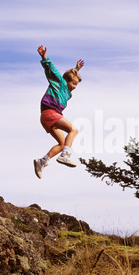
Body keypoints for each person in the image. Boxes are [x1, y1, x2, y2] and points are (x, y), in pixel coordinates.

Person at [33, 45, 84, 179]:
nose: (74, 87)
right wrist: (44, 56)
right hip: (49, 113)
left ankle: (41, 161)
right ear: (67, 81)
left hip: (47, 117)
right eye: (73, 84)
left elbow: (71, 75)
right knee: (73, 130)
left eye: (76, 85)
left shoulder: (67, 94)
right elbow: (51, 69)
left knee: (62, 144)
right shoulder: (59, 82)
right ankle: (65, 156)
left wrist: (76, 69)